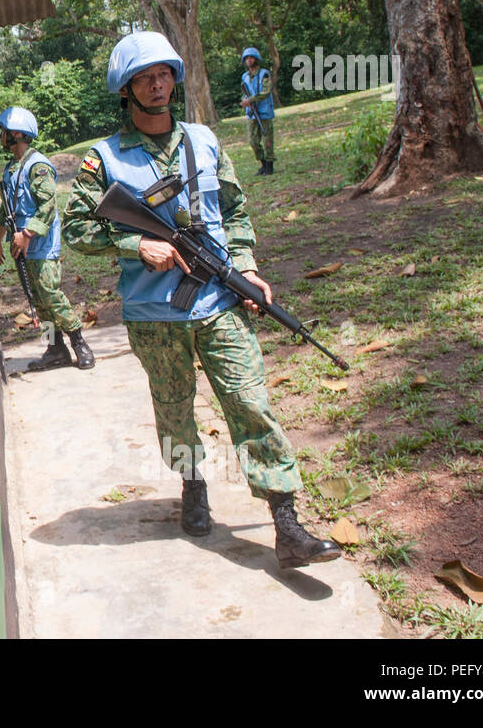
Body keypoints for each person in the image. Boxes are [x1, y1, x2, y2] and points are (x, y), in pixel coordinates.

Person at [61, 32, 339, 570]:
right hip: (153, 315)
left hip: (218, 300)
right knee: (174, 411)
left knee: (250, 402)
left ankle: (287, 524)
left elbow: (233, 211)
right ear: (127, 89)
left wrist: (249, 268)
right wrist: (135, 242)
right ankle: (192, 483)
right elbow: (74, 228)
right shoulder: (105, 159)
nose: (158, 83)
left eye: (164, 72)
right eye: (144, 77)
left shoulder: (205, 141)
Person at [0, 107, 94, 372]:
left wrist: (26, 234)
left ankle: (79, 342)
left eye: (4, 133)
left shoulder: (37, 167)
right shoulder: (12, 168)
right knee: (36, 300)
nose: (1, 137)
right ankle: (54, 348)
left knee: (50, 294)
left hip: (41, 245)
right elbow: (7, 208)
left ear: (16, 134)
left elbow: (47, 206)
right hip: (20, 247)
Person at [240, 47, 276, 175]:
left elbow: (266, 91)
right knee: (253, 141)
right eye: (247, 59)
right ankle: (263, 164)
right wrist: (245, 102)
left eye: (251, 58)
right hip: (251, 113)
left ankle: (269, 166)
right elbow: (243, 93)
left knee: (267, 140)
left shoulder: (264, 74)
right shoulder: (244, 77)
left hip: (264, 111)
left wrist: (251, 100)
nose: (249, 60)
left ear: (256, 59)